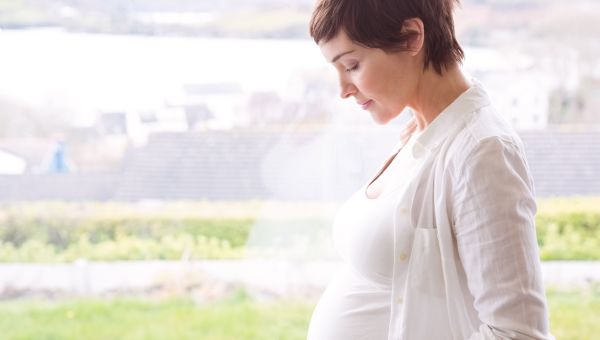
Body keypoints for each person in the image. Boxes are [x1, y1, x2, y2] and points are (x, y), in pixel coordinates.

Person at [306, 0, 554, 339]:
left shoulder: (483, 152)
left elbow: (517, 333)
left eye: (351, 65)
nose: (343, 90)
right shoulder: (420, 131)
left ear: (411, 37)